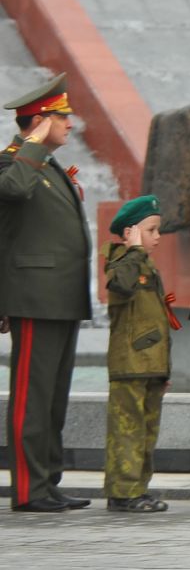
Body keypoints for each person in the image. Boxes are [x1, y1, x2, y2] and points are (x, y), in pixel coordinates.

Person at [0, 75, 92, 512]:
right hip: (34, 296)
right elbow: (14, 190)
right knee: (32, 396)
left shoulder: (47, 165)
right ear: (38, 122)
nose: (71, 124)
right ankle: (28, 489)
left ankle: (47, 480)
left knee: (53, 396)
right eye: (62, 116)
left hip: (61, 296)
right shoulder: (12, 162)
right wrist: (33, 144)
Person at [101, 196, 178, 514]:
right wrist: (133, 249)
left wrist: (164, 368)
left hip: (149, 365)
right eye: (151, 230)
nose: (158, 237)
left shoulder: (145, 264)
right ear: (131, 232)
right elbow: (120, 286)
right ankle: (123, 492)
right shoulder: (122, 261)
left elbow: (156, 321)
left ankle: (138, 489)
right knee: (127, 430)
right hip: (130, 364)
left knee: (145, 431)